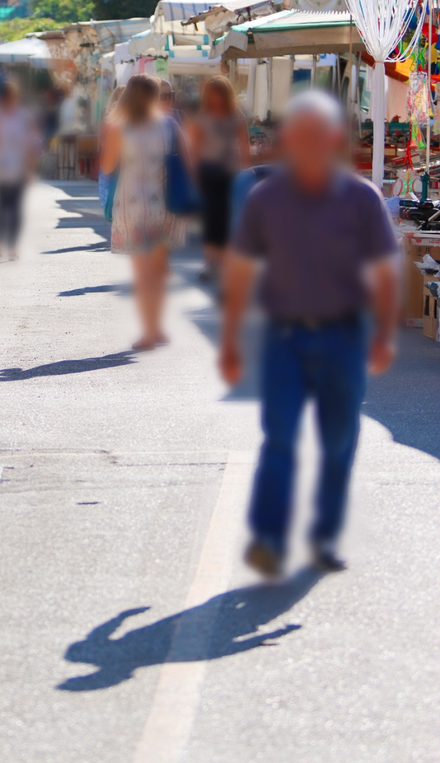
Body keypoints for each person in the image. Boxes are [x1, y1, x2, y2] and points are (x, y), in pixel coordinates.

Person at [220, 91, 399, 577]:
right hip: (283, 338)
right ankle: (271, 540)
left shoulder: (363, 197)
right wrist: (233, 338)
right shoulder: (265, 199)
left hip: (344, 338)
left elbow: (384, 270)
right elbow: (239, 270)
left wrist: (383, 334)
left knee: (339, 442)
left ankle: (323, 536)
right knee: (279, 438)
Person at [100, 73, 189, 351]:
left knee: (142, 274)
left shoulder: (119, 127)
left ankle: (149, 333)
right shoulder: (169, 125)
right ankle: (158, 328)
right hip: (164, 205)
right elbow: (188, 159)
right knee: (159, 270)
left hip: (133, 207)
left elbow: (107, 166)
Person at [191, 75, 250, 282]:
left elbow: (244, 146)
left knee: (226, 217)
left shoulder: (237, 116)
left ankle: (224, 262)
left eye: (218, 94)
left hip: (231, 173)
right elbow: (196, 148)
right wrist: (194, 175)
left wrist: (246, 172)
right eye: (211, 94)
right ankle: (209, 261)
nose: (215, 98)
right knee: (210, 217)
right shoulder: (202, 116)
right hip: (208, 172)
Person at [0, 80, 40, 261]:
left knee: (9, 207)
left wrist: (30, 167)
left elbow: (32, 144)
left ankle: (7, 245)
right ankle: (4, 245)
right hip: (5, 167)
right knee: (5, 206)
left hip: (12, 167)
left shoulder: (15, 116)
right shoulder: (11, 116)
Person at [97, 85, 125, 209]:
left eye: (123, 97)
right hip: (111, 157)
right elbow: (102, 139)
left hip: (124, 159)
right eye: (118, 97)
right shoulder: (109, 116)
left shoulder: (129, 117)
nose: (120, 100)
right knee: (107, 187)